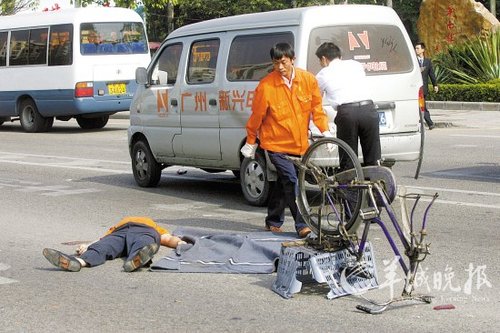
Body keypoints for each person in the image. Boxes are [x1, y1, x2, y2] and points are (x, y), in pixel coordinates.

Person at [240, 42, 332, 238]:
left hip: (299, 145)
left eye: (283, 62)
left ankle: (273, 220)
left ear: (292, 60)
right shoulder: (266, 86)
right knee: (291, 180)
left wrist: (325, 131)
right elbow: (256, 116)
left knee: (283, 183)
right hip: (275, 145)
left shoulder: (308, 80)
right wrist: (250, 141)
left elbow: (317, 108)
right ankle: (302, 225)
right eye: (275, 63)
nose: (280, 67)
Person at [315, 42, 381, 169]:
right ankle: (376, 185)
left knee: (348, 159)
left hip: (348, 113)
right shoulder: (355, 64)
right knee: (372, 158)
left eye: (320, 61)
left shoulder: (323, 74)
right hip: (369, 110)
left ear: (324, 59)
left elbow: (316, 100)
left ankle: (349, 187)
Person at [43, 216, 186, 272]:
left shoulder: (153, 226)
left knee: (142, 242)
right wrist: (87, 246)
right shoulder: (115, 228)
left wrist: (179, 242)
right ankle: (77, 262)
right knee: (103, 247)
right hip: (122, 232)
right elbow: (101, 241)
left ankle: (137, 258)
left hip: (140, 231)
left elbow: (167, 238)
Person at [415, 41, 439, 130]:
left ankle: (426, 123)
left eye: (418, 48)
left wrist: (435, 85)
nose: (416, 50)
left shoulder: (428, 61)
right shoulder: (413, 60)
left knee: (422, 106)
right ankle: (429, 123)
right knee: (422, 106)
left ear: (423, 50)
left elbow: (431, 74)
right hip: (415, 88)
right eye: (415, 48)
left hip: (423, 88)